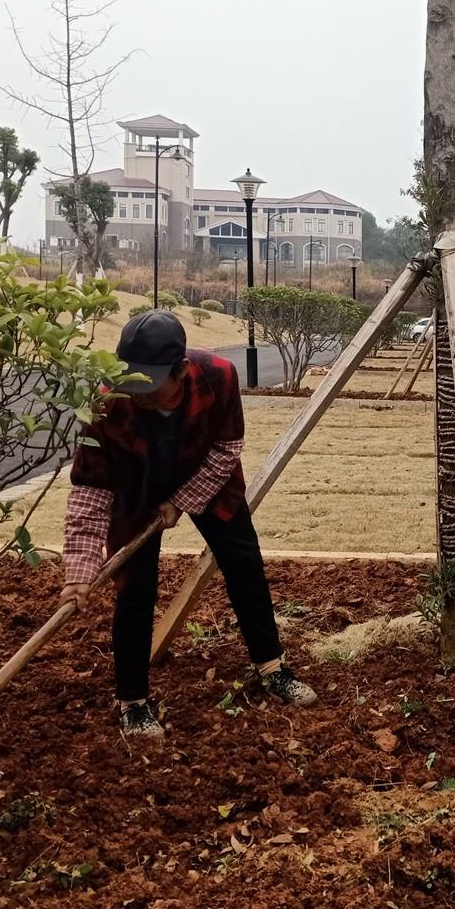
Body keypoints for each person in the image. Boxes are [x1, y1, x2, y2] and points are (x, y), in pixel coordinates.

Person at [61, 310, 316, 739]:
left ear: (180, 372)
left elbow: (227, 447)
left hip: (208, 479)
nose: (137, 395)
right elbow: (91, 488)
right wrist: (79, 573)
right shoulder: (105, 402)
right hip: (137, 492)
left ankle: (272, 667)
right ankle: (133, 701)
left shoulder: (219, 376)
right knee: (135, 590)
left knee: (244, 567)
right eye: (130, 383)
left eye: (150, 385)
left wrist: (181, 501)